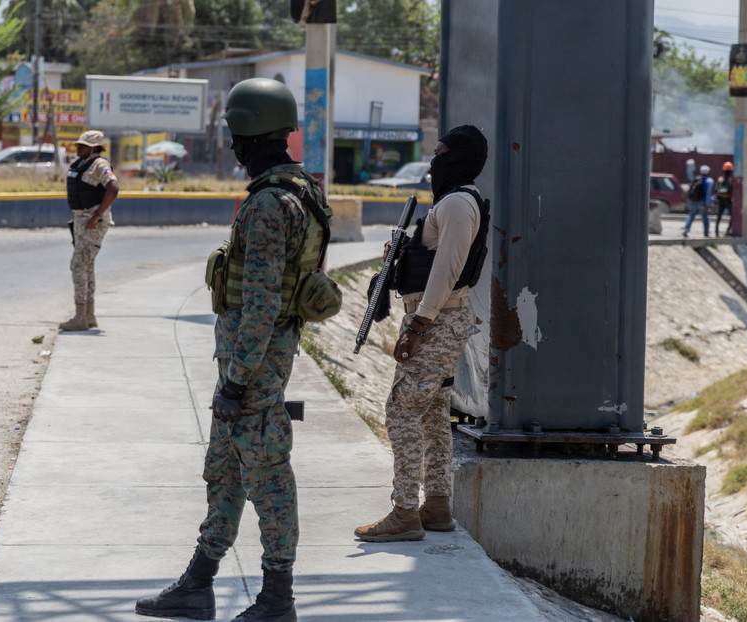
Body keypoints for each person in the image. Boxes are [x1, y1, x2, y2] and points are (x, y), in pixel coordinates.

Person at [136, 77, 326, 622]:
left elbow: (263, 303)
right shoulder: (301, 191)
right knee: (223, 468)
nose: (234, 149)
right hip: (252, 362)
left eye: (236, 137)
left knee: (267, 475)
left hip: (255, 366)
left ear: (248, 135)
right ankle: (198, 583)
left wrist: (238, 381)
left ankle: (277, 599)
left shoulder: (270, 203)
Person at [354, 125, 488, 542]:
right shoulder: (454, 203)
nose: (433, 161)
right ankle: (436, 508)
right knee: (431, 416)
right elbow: (432, 262)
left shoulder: (457, 205)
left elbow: (447, 270)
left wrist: (418, 323)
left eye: (440, 153)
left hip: (437, 323)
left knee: (401, 411)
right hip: (439, 321)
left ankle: (405, 512)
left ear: (458, 157)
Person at [59, 130, 118, 331]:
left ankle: (80, 317)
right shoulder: (82, 164)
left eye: (83, 145)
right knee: (87, 266)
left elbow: (113, 188)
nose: (78, 148)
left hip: (93, 224)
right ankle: (89, 315)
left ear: (94, 147)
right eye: (78, 145)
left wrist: (97, 215)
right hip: (81, 222)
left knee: (77, 265)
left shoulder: (99, 164)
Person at [682, 164, 713, 238]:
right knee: (705, 218)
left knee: (691, 216)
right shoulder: (709, 181)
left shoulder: (696, 179)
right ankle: (706, 233)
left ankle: (686, 230)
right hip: (702, 202)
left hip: (693, 201)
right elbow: (708, 194)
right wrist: (707, 204)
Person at [715, 161, 734, 237]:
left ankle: (716, 231)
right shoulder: (731, 180)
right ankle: (728, 230)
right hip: (728, 199)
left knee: (719, 215)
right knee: (732, 216)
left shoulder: (720, 179)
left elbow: (716, 188)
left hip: (720, 199)